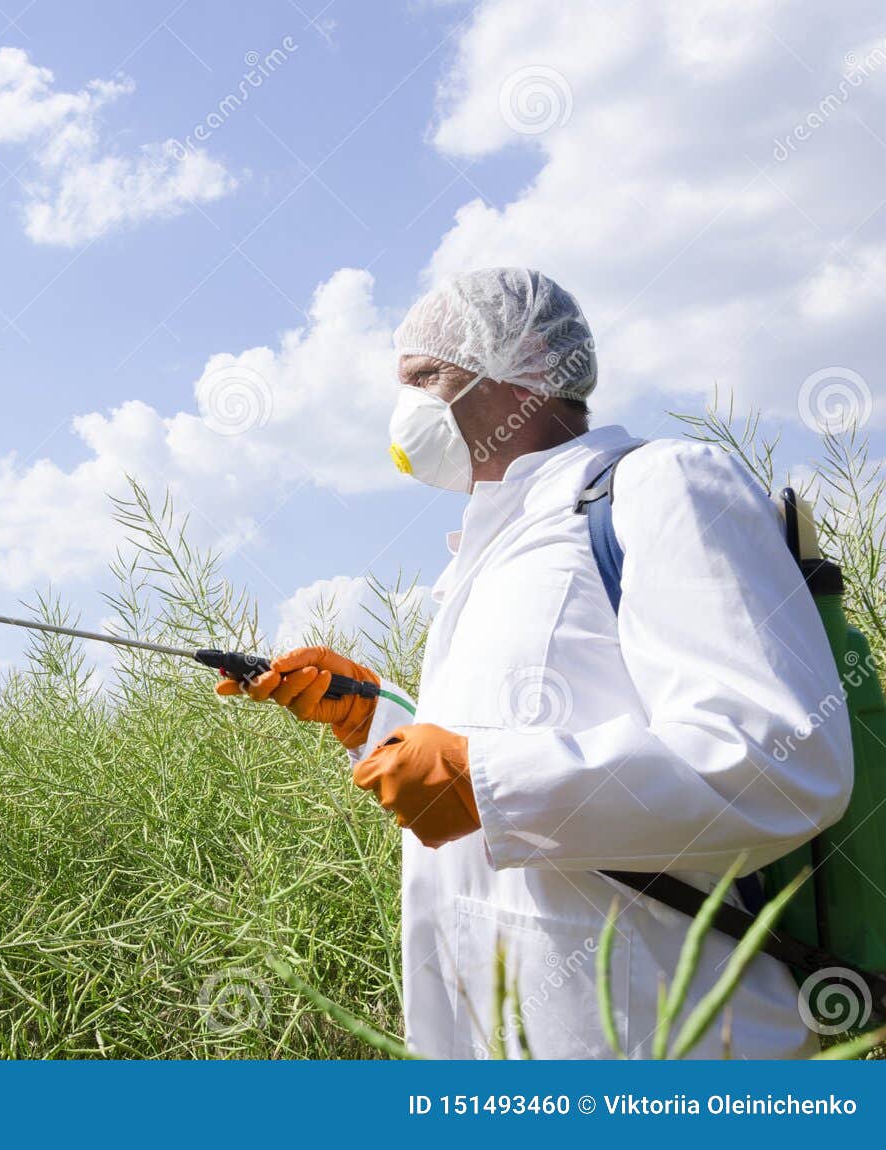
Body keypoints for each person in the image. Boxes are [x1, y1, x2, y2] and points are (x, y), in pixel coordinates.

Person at [218, 268, 853, 1058]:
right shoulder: (490, 549)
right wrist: (374, 715)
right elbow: (507, 740)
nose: (406, 404)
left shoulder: (662, 485)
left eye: (426, 375)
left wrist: (486, 780)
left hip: (669, 1046)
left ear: (521, 368)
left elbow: (780, 759)